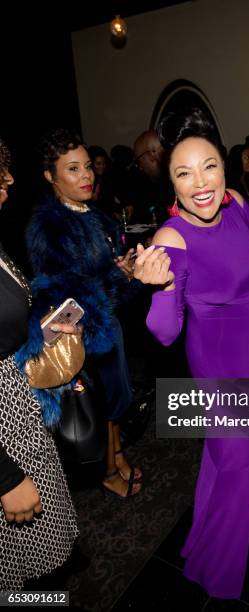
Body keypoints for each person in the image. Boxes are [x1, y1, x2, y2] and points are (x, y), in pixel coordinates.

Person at [135, 108, 249, 598]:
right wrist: (157, 287)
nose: (200, 182)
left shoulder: (239, 202)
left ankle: (239, 528)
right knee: (238, 460)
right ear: (172, 185)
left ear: (225, 168)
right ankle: (216, 572)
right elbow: (164, 332)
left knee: (246, 451)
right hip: (219, 363)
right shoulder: (171, 236)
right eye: (184, 172)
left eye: (209, 166)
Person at [24, 128, 146, 498]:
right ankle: (108, 471)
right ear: (50, 176)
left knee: (117, 399)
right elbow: (70, 295)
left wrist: (124, 269)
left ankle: (118, 456)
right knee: (104, 400)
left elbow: (101, 273)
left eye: (88, 166)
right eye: (73, 169)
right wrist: (119, 274)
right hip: (83, 332)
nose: (87, 176)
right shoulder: (50, 226)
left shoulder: (92, 212)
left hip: (108, 321)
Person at [0, 139, 79, 589]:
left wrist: (46, 332)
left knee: (42, 564)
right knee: (16, 574)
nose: (8, 178)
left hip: (20, 413)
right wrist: (5, 477)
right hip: (5, 440)